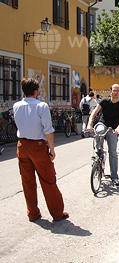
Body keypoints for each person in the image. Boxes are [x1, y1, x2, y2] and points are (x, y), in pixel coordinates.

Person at [13, 78, 69, 222]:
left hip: (22, 145)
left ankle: (33, 213)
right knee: (48, 180)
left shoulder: (16, 106)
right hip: (37, 146)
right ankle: (57, 213)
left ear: (23, 90)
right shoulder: (41, 106)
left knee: (27, 181)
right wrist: (51, 149)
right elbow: (48, 130)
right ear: (36, 91)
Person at [87, 84, 119, 186]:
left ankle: (114, 177)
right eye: (114, 90)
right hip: (103, 124)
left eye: (117, 91)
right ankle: (97, 153)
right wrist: (90, 123)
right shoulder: (104, 101)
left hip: (113, 129)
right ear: (110, 91)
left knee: (113, 152)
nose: (115, 92)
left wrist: (118, 128)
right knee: (99, 130)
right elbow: (94, 112)